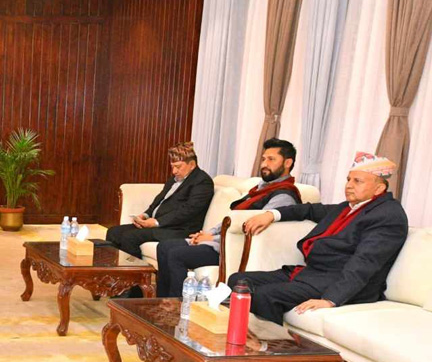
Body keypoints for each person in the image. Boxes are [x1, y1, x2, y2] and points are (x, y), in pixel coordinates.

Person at [228, 152, 409, 325]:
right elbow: (309, 210)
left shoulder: (388, 216)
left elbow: (364, 263)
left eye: (357, 181)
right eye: (348, 179)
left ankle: (273, 344)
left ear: (379, 188)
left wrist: (331, 299)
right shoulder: (348, 207)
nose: (349, 185)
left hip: (338, 283)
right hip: (312, 274)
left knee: (265, 295)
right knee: (238, 281)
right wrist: (271, 214)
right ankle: (242, 335)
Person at [154, 139, 302, 297]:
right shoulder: (261, 189)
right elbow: (232, 219)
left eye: (271, 159)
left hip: (232, 248)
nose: (264, 164)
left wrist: (212, 238)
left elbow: (251, 229)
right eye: (263, 159)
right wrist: (208, 233)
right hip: (221, 240)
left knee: (176, 255)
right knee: (164, 247)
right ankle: (162, 303)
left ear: (287, 163)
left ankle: (177, 307)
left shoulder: (283, 196)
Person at [106, 142, 215, 258]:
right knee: (113, 232)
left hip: (178, 229)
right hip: (161, 225)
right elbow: (159, 200)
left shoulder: (202, 182)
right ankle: (113, 267)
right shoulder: (175, 179)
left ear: (192, 164)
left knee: (130, 237)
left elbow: (188, 210)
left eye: (178, 167)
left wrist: (156, 222)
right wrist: (145, 215)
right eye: (172, 167)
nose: (174, 171)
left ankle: (136, 270)